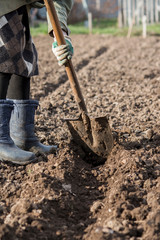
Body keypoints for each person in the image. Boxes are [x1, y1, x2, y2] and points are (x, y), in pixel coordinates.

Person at [0, 0, 74, 165]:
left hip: (18, 6)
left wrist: (60, 34)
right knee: (3, 54)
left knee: (24, 58)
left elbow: (59, 2)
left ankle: (22, 137)